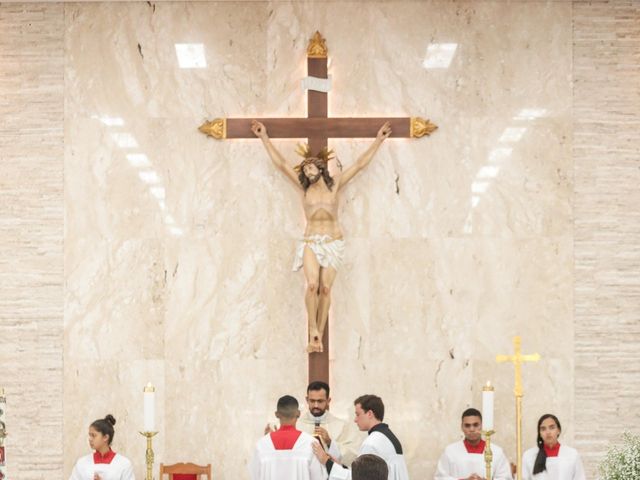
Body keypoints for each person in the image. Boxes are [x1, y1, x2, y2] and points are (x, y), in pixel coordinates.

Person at [251, 120, 392, 352]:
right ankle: (312, 330)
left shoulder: (335, 185)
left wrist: (378, 140)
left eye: (311, 169)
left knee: (326, 290)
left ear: (321, 169)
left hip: (334, 241)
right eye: (305, 170)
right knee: (312, 285)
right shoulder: (304, 188)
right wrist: (264, 137)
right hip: (311, 241)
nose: (308, 172)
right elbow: (281, 164)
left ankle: (319, 336)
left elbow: (358, 165)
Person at [313, 394, 409, 480]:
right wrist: (339, 465)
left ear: (370, 414)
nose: (355, 420)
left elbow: (358, 478)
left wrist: (326, 461)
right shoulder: (386, 436)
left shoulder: (372, 443)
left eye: (358, 414)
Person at [267, 382, 363, 466]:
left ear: (328, 401)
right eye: (312, 401)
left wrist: (330, 443)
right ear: (307, 400)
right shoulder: (296, 424)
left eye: (320, 401)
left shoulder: (341, 426)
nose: (316, 405)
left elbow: (353, 455)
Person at [250, 395, 327, 480]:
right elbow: (319, 477)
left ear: (276, 414)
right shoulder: (311, 444)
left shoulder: (262, 445)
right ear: (298, 413)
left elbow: (255, 476)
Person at [435, 408, 512, 480]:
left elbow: (506, 478)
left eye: (475, 425)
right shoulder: (450, 451)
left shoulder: (496, 452)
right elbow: (440, 477)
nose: (472, 429)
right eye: (467, 425)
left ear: (482, 426)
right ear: (461, 427)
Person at [69, 414, 134, 480]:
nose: (90, 439)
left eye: (93, 435)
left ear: (105, 437)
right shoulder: (82, 463)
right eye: (90, 435)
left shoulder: (123, 464)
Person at [522, 414, 585, 480]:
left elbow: (580, 477)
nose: (548, 432)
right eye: (543, 429)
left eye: (552, 428)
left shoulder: (572, 454)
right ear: (540, 433)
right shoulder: (529, 455)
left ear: (558, 430)